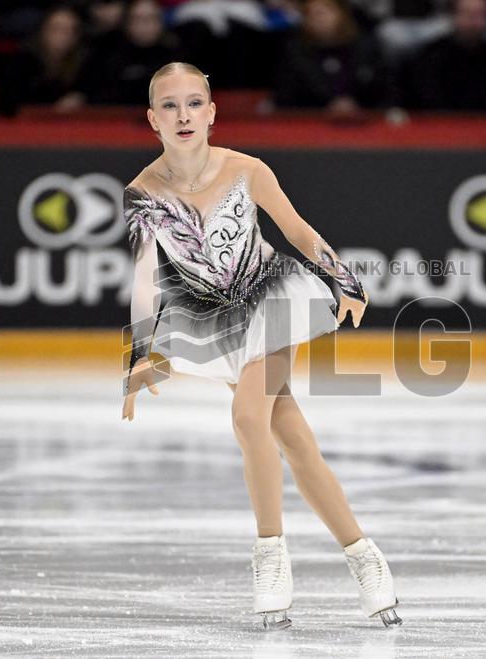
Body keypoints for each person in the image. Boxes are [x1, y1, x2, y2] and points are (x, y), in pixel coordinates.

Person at [120, 61, 402, 630]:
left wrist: (344, 280)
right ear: (152, 119)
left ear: (212, 112)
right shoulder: (142, 193)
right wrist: (137, 355)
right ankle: (364, 555)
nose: (184, 115)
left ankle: (270, 555)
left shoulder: (248, 169)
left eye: (194, 103)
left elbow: (296, 231)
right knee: (292, 438)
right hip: (214, 316)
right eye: (170, 106)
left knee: (249, 417)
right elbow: (145, 276)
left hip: (271, 296)